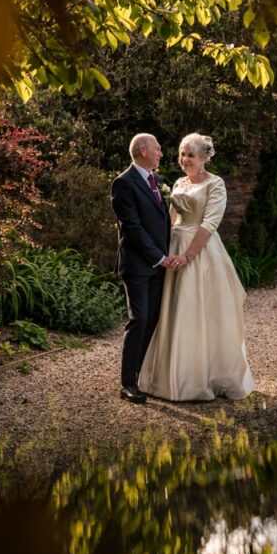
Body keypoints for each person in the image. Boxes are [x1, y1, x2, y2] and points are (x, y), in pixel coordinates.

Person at [137, 133, 255, 401]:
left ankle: (200, 378)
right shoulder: (178, 183)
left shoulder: (216, 184)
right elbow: (170, 219)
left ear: (204, 158)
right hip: (174, 248)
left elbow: (210, 224)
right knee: (172, 309)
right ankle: (170, 377)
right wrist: (163, 253)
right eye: (181, 153)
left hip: (200, 252)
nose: (184, 159)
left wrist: (187, 256)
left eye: (190, 154)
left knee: (196, 309)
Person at [110, 133, 186, 404]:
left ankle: (141, 375)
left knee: (153, 319)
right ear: (142, 150)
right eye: (157, 148)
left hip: (160, 265)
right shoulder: (123, 183)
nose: (161, 154)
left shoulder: (157, 181)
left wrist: (169, 255)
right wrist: (158, 257)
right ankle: (128, 384)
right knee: (139, 319)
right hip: (138, 266)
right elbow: (132, 228)